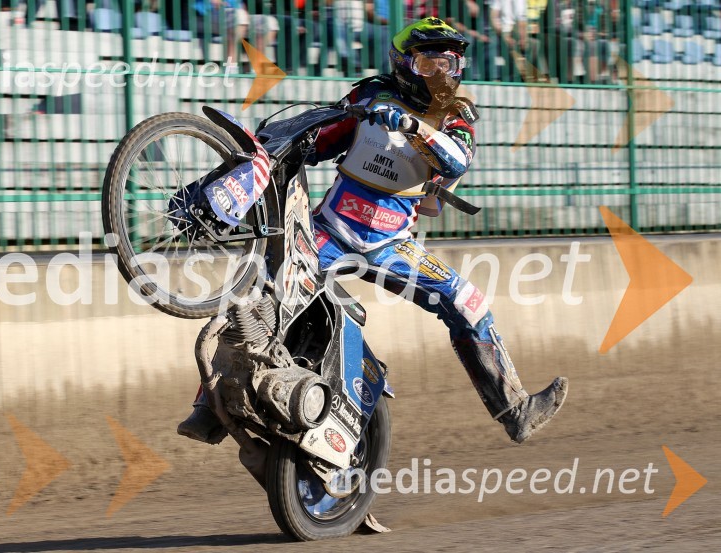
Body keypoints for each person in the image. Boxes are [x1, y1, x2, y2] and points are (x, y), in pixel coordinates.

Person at [178, 17, 568, 446]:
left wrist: (412, 126)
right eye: (428, 63)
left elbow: (457, 160)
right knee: (257, 302)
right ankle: (207, 409)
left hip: (393, 245)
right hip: (329, 232)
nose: (440, 74)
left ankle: (515, 409)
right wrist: (298, 141)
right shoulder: (370, 94)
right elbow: (323, 142)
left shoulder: (457, 114)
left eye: (449, 63)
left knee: (467, 302)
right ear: (403, 63)